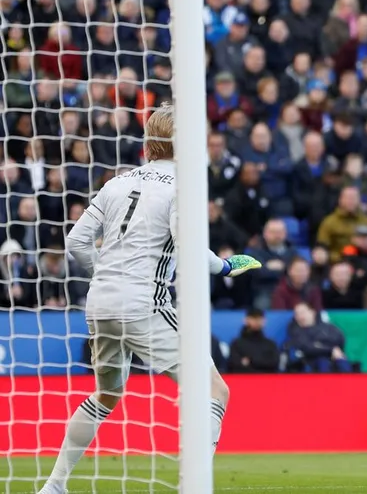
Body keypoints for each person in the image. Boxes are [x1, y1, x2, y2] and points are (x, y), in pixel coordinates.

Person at [39, 104, 262, 494]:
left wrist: (106, 274)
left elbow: (75, 242)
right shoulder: (182, 188)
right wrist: (225, 267)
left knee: (106, 395)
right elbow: (189, 246)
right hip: (145, 303)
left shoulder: (117, 182)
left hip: (100, 303)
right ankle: (196, 486)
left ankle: (54, 485)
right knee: (214, 390)